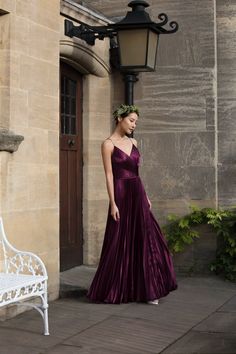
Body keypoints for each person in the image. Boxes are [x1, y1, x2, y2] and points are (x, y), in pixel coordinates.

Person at [87, 104, 177, 304]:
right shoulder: (108, 144)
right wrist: (112, 203)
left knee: (146, 238)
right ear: (120, 118)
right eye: (131, 120)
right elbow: (109, 175)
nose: (134, 125)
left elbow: (137, 173)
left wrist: (145, 196)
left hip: (137, 191)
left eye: (136, 121)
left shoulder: (133, 141)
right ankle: (116, 289)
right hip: (120, 193)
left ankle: (150, 289)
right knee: (119, 240)